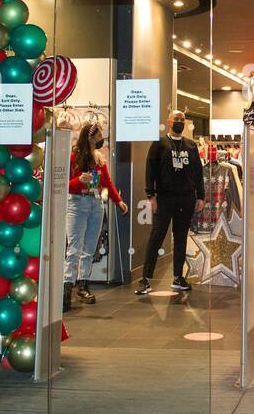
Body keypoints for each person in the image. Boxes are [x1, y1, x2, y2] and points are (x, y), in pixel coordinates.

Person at [136, 109, 203, 298]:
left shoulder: (191, 145)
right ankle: (145, 279)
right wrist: (151, 195)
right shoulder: (159, 144)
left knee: (181, 238)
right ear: (169, 121)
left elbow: (198, 173)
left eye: (182, 119)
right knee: (156, 236)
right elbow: (150, 170)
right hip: (164, 198)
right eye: (176, 119)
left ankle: (178, 277)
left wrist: (201, 196)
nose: (179, 122)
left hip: (186, 198)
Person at [65, 122, 128, 309]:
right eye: (100, 136)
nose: (102, 140)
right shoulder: (73, 158)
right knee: (74, 247)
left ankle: (83, 284)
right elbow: (63, 184)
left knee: (90, 247)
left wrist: (118, 201)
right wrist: (78, 181)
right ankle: (67, 286)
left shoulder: (99, 159)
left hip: (96, 204)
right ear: (91, 137)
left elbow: (106, 182)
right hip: (77, 203)